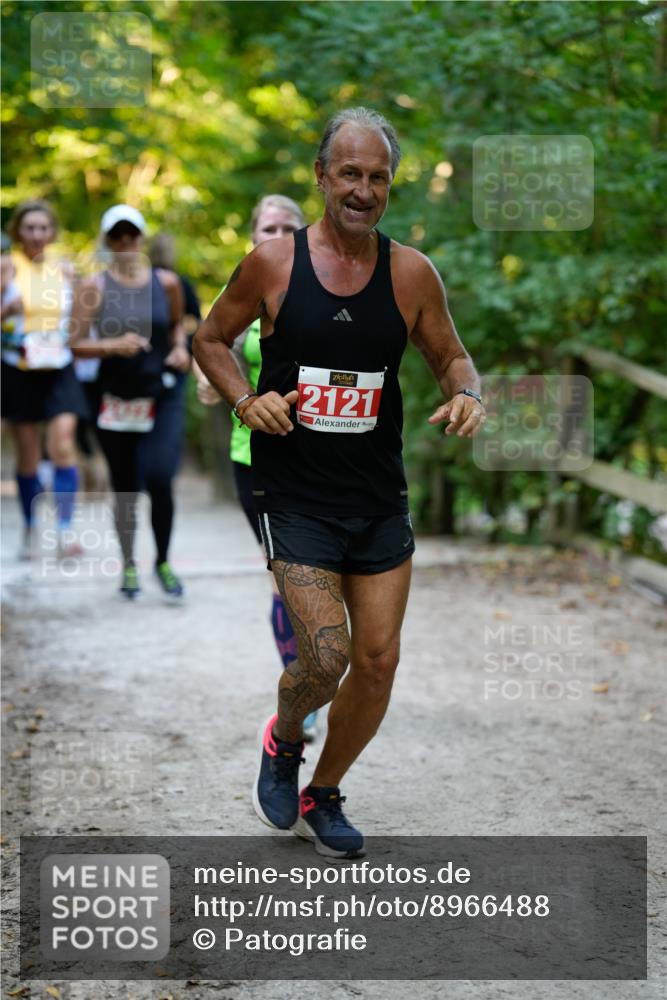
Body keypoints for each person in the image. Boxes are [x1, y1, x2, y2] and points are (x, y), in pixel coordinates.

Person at [194, 108, 485, 858]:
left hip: (375, 495)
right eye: (349, 173)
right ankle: (283, 736)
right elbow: (210, 338)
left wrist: (467, 393)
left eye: (377, 177)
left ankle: (324, 792)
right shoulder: (275, 265)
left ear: (390, 185)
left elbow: (451, 357)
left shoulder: (411, 273)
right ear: (322, 177)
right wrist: (243, 398)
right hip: (293, 495)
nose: (363, 189)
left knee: (378, 660)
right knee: (326, 656)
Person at [195, 195, 320, 741]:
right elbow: (207, 372)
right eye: (266, 225)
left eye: (286, 226)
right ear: (251, 233)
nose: (275, 232)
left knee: (327, 578)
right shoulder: (239, 291)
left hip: (325, 457)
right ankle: (305, 689)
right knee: (283, 578)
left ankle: (323, 670)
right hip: (257, 459)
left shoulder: (326, 283)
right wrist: (222, 380)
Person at [69, 204, 191, 600]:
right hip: (115, 398)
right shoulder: (95, 286)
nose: (125, 242)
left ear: (141, 238)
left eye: (131, 234)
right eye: (117, 236)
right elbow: (74, 343)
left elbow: (177, 326)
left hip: (162, 394)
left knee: (159, 476)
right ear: (108, 241)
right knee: (124, 487)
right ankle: (128, 565)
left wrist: (178, 348)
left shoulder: (166, 282)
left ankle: (164, 561)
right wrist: (112, 346)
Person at [2, 201, 87, 559]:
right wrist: (8, 308)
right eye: (29, 228)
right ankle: (31, 528)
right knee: (29, 455)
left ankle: (66, 532)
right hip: (18, 368)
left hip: (58, 366)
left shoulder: (65, 269)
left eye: (43, 228)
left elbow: (82, 319)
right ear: (18, 231)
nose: (36, 234)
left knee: (64, 444)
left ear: (52, 232)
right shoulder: (7, 266)